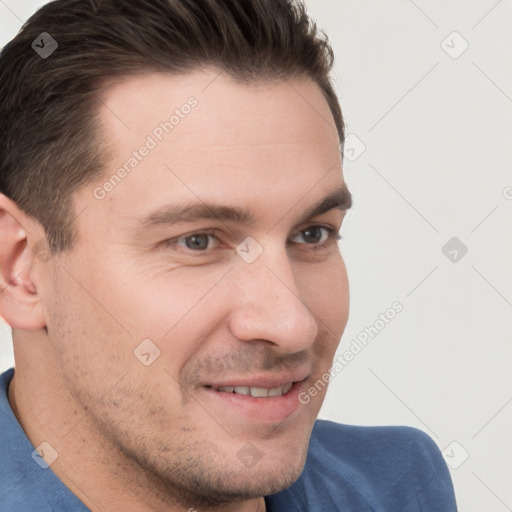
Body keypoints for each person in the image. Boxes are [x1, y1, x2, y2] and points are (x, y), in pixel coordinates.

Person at [0, 0, 457, 510]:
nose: (292, 324)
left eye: (312, 235)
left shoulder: (395, 485)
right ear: (18, 270)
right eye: (197, 241)